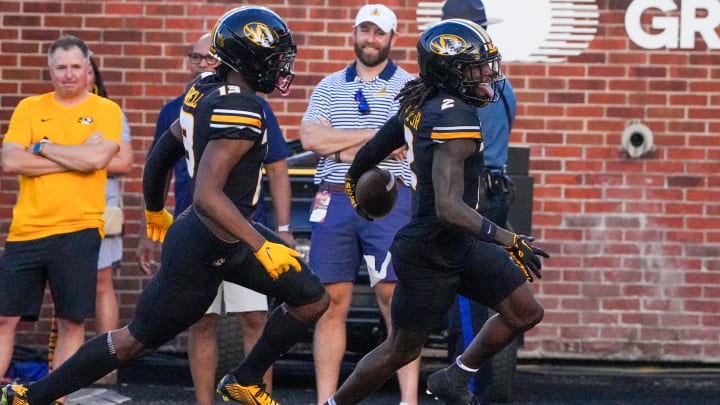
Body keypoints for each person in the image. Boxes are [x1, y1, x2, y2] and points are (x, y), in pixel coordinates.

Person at [0, 6, 329, 405]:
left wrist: (155, 208)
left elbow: (163, 152)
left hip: (228, 234)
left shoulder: (206, 85)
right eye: (275, 58)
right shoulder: (242, 107)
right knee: (135, 341)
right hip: (203, 244)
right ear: (249, 58)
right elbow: (208, 195)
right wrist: (262, 245)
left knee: (312, 297)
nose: (282, 67)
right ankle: (30, 397)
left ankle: (245, 379)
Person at [323, 18, 549, 405]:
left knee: (525, 311)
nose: (485, 77)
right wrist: (509, 239)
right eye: (475, 69)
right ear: (449, 71)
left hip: (459, 243)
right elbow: (448, 207)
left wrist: (356, 181)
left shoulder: (422, 99)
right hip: (429, 249)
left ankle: (455, 377)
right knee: (400, 349)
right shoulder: (454, 116)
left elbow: (373, 146)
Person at [138, 32, 294, 405]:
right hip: (193, 224)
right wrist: (152, 218)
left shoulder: (252, 103)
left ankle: (256, 394)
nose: (204, 63)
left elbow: (277, 168)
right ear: (189, 63)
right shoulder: (177, 107)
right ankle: (204, 402)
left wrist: (283, 229)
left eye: (210, 57)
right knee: (202, 322)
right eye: (197, 57)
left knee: (255, 317)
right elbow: (157, 165)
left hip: (243, 226)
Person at [298, 4, 419, 404]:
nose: (370, 39)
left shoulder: (411, 86)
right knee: (331, 302)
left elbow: (406, 144)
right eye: (364, 30)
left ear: (392, 38)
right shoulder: (329, 86)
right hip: (333, 201)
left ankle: (409, 399)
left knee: (393, 297)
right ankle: (325, 400)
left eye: (378, 33)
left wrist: (341, 147)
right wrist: (374, 138)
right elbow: (311, 139)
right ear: (355, 33)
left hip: (389, 198)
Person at [0, 34, 121, 394]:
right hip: (27, 229)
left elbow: (99, 159)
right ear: (50, 71)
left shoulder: (105, 110)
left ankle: (56, 399)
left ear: (88, 70)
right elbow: (10, 160)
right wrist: (72, 157)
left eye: (75, 67)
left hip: (78, 228)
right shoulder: (29, 107)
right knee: (4, 318)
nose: (68, 75)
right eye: (60, 68)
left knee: (71, 320)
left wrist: (43, 148)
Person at [440, 1, 518, 402]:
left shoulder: (460, 91)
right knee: (495, 297)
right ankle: (485, 389)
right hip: (496, 193)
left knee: (466, 305)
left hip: (471, 199)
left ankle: (468, 392)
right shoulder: (503, 87)